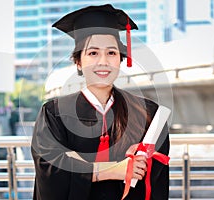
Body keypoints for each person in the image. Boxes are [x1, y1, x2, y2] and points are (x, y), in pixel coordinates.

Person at [31, 4, 170, 200]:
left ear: (121, 60)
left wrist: (143, 161)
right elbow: (51, 171)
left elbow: (156, 182)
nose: (103, 61)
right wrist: (113, 169)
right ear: (78, 62)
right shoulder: (54, 114)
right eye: (93, 53)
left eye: (111, 53)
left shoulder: (146, 113)